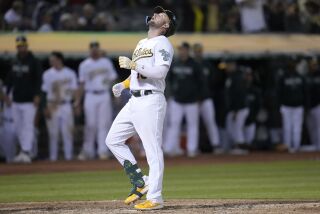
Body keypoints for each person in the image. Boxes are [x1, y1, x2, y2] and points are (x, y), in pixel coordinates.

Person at [105, 6, 176, 210]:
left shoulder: (163, 42)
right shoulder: (142, 42)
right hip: (134, 100)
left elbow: (160, 72)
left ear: (165, 25)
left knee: (152, 150)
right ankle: (141, 181)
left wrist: (134, 66)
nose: (155, 14)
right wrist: (124, 84)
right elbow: (138, 73)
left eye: (161, 14)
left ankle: (155, 198)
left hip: (151, 101)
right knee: (113, 140)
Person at [77, 41, 118, 160]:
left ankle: (102, 151)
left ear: (99, 49)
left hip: (104, 94)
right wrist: (78, 101)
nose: (94, 50)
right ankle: (88, 150)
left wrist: (116, 95)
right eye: (92, 49)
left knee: (103, 124)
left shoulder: (106, 62)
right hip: (90, 95)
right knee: (90, 124)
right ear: (90, 50)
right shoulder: (84, 64)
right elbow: (81, 84)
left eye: (96, 48)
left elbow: (113, 79)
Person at [4, 35, 41, 163]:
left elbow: (38, 80)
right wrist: (6, 96)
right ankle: (24, 150)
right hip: (16, 99)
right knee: (18, 127)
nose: (21, 48)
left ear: (27, 46)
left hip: (29, 100)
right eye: (19, 46)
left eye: (23, 46)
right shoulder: (14, 61)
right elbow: (9, 81)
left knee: (28, 126)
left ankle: (26, 151)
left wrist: (37, 95)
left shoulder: (34, 61)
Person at [164, 42, 202, 158]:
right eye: (180, 49)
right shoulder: (174, 64)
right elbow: (168, 81)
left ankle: (191, 149)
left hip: (192, 101)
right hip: (177, 100)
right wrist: (169, 95)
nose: (182, 51)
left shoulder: (195, 64)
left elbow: (201, 82)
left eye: (184, 49)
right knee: (174, 124)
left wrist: (199, 97)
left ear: (188, 50)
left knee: (192, 125)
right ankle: (168, 149)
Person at [41, 52, 78, 161]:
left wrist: (76, 104)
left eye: (53, 59)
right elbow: (43, 93)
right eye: (50, 60)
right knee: (53, 133)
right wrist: (45, 107)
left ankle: (68, 157)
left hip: (66, 104)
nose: (51, 62)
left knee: (67, 132)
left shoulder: (70, 73)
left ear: (59, 60)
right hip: (52, 104)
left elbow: (75, 90)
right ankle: (53, 158)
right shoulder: (47, 74)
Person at [192, 43, 220, 151]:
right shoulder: (191, 64)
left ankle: (215, 145)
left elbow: (214, 81)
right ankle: (195, 147)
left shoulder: (207, 64)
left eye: (199, 50)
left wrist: (208, 93)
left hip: (206, 98)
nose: (198, 52)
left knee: (210, 122)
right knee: (195, 124)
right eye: (196, 51)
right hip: (193, 100)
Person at [278, 58, 306, 153]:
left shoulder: (300, 76)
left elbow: (305, 92)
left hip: (298, 106)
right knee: (287, 127)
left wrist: (306, 105)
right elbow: (279, 92)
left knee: (297, 128)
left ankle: (296, 147)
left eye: (293, 63)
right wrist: (280, 105)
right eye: (291, 62)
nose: (292, 64)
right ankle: (288, 146)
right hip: (286, 106)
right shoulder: (283, 77)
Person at [306, 57, 320, 151]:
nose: (313, 66)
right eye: (311, 64)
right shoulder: (307, 76)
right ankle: (315, 145)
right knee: (311, 127)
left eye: (314, 65)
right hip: (309, 105)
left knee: (318, 126)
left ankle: (319, 145)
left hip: (318, 105)